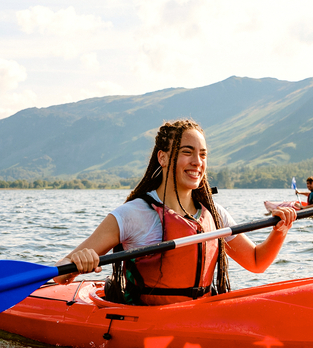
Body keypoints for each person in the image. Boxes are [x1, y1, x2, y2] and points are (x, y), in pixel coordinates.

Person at [59, 118, 297, 305]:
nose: (197, 162)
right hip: (149, 324)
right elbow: (61, 273)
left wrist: (280, 230)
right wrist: (79, 260)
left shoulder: (214, 215)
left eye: (203, 154)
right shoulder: (132, 215)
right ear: (162, 157)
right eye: (187, 152)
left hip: (200, 315)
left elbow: (256, 262)